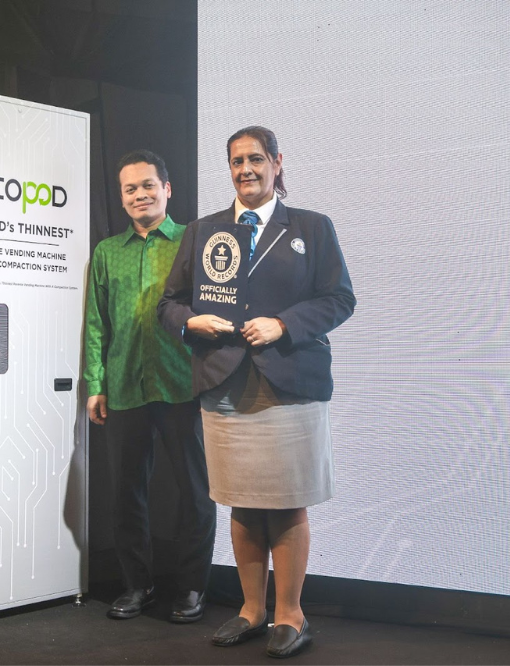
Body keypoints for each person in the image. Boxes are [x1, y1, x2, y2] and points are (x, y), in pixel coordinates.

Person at [158, 127, 355, 658]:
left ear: (276, 163)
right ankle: (251, 610)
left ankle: (291, 616)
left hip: (287, 384)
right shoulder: (203, 231)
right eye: (236, 161)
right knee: (242, 505)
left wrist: (283, 325)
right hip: (224, 384)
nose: (245, 168)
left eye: (255, 159)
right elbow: (169, 304)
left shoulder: (311, 229)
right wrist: (190, 321)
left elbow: (339, 299)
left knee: (286, 505)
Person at [84, 149, 216, 624]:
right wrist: (94, 383)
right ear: (121, 198)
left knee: (195, 492)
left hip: (184, 384)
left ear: (167, 189)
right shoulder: (106, 252)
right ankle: (137, 585)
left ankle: (192, 588)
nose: (140, 195)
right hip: (123, 387)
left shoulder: (194, 240)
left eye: (147, 185)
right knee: (125, 494)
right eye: (130, 189)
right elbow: (96, 322)